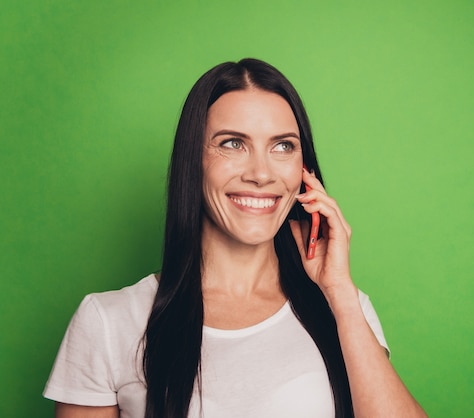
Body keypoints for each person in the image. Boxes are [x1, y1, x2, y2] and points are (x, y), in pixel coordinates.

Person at [44, 58, 428, 418]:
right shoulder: (108, 323)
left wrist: (341, 294)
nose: (261, 173)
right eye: (232, 143)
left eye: (283, 146)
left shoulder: (346, 309)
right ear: (193, 160)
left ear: (304, 173)